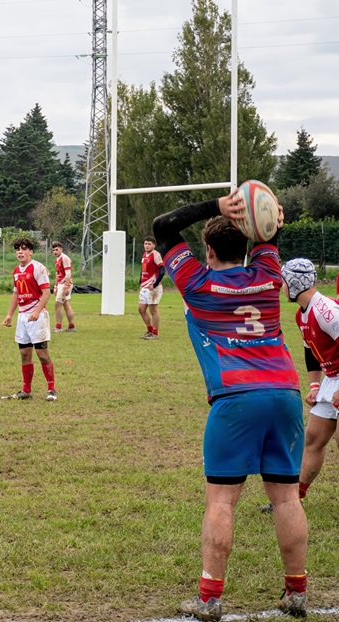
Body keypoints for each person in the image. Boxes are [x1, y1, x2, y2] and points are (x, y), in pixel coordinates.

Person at [152, 192, 308, 620]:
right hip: (285, 395)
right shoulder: (268, 272)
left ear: (207, 250)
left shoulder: (197, 284)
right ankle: (297, 592)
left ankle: (209, 599)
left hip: (236, 399)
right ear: (250, 243)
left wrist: (216, 206)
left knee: (221, 502)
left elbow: (163, 227)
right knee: (286, 498)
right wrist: (270, 217)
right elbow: (270, 236)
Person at [274, 258, 339, 508]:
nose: (281, 287)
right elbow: (311, 351)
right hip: (331, 378)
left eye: (283, 281)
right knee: (313, 438)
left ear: (293, 282)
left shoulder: (327, 310)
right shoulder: (302, 314)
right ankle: (294, 499)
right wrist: (315, 386)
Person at [1, 238, 57, 402]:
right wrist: (10, 315)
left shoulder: (38, 268)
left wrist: (37, 312)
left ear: (31, 251)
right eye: (17, 249)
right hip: (23, 317)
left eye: (24, 249)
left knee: (42, 354)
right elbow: (16, 294)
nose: (20, 251)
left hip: (37, 316)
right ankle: (26, 390)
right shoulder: (16, 271)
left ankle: (52, 389)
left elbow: (46, 292)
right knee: (25, 354)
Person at [138, 235, 165, 340]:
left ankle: (155, 333)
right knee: (141, 309)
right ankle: (149, 331)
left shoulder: (156, 254)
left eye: (149, 244)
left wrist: (155, 284)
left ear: (154, 245)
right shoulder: (145, 254)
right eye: (145, 243)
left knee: (153, 310)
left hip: (153, 288)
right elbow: (143, 269)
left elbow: (162, 271)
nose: (147, 245)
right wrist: (140, 281)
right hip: (145, 286)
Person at [51, 241, 76, 332]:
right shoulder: (57, 259)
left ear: (61, 249)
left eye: (57, 249)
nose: (55, 252)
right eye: (53, 250)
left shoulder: (65, 259)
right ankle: (71, 326)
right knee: (66, 304)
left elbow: (68, 274)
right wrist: (55, 286)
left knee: (57, 305)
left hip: (65, 283)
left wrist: (66, 286)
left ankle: (58, 327)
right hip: (61, 283)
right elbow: (57, 274)